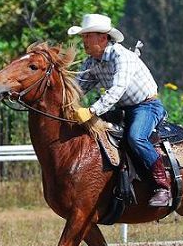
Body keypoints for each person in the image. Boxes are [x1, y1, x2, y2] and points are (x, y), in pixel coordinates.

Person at [67, 13, 171, 207]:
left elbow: (117, 90)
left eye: (88, 36)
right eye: (83, 37)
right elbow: (77, 88)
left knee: (136, 138)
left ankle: (163, 186)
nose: (84, 41)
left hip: (147, 106)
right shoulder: (91, 63)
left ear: (103, 38)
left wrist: (91, 111)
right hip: (124, 109)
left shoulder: (122, 56)